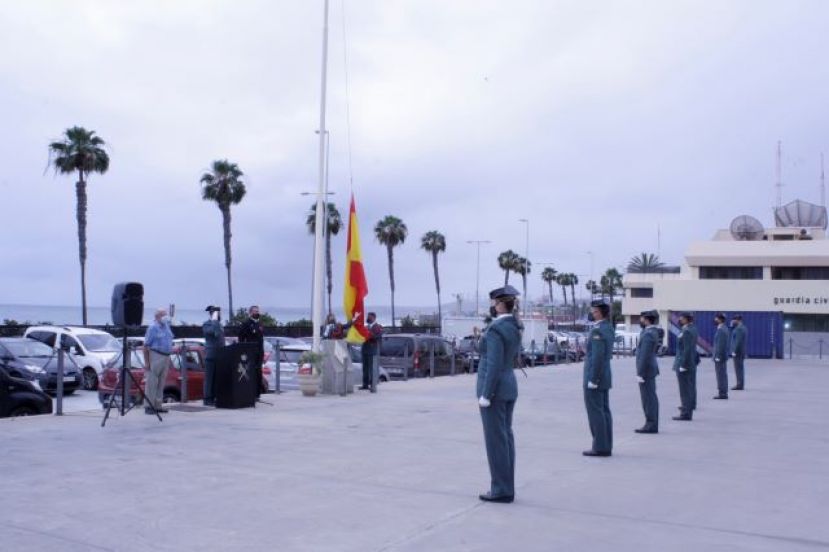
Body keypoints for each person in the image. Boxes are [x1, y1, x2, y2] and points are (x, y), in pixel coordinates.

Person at [477, 285, 521, 503]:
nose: (493, 306)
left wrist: (486, 393)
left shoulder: (495, 329)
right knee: (505, 439)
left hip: (494, 390)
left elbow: (493, 363)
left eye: (495, 303)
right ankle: (507, 486)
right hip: (509, 386)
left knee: (496, 442)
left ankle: (501, 489)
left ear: (501, 304)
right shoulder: (514, 326)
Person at [583, 300, 614, 457]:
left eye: (594, 311)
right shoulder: (608, 327)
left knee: (596, 412)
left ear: (600, 313)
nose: (592, 314)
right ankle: (606, 444)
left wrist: (593, 379)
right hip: (605, 375)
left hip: (595, 376)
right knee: (604, 411)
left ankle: (600, 446)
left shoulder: (597, 331)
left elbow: (598, 357)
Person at [142, 308, 174, 415]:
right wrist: (147, 362)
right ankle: (149, 406)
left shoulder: (166, 327)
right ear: (157, 316)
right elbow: (146, 346)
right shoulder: (152, 328)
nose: (165, 317)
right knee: (152, 382)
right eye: (163, 314)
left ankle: (158, 405)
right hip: (155, 355)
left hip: (166, 356)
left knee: (161, 382)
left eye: (166, 314)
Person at [635, 310, 660, 434]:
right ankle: (651, 423)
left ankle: (651, 424)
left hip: (646, 371)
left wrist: (640, 373)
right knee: (650, 397)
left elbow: (644, 355)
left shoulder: (649, 333)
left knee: (648, 398)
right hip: (648, 370)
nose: (641, 320)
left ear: (647, 319)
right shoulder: (649, 332)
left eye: (642, 318)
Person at [673, 312, 699, 421]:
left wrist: (683, 364)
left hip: (685, 364)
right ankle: (687, 407)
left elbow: (687, 349)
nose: (679, 320)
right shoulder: (691, 329)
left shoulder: (687, 331)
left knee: (685, 389)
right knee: (688, 388)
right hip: (689, 362)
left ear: (686, 319)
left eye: (681, 318)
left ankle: (686, 413)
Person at [238, 305, 265, 398]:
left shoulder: (260, 323)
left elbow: (261, 339)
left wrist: (262, 353)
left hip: (259, 352)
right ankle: (250, 393)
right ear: (250, 313)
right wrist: (243, 350)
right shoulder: (246, 323)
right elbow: (241, 338)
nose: (257, 313)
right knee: (251, 373)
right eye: (255, 311)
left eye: (258, 311)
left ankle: (257, 394)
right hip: (250, 352)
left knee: (258, 373)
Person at [202, 305, 225, 406]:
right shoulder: (207, 324)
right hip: (211, 355)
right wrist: (214, 320)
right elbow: (215, 333)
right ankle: (207, 398)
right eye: (218, 313)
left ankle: (215, 397)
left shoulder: (219, 324)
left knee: (216, 378)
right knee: (209, 378)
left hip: (220, 355)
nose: (220, 315)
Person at [360, 312, 383, 390]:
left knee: (371, 369)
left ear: (374, 318)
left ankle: (372, 384)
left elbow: (378, 337)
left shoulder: (377, 327)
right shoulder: (366, 327)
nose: (368, 318)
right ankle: (365, 384)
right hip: (365, 349)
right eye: (368, 317)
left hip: (372, 349)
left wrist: (370, 335)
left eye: (369, 317)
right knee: (365, 368)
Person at [712, 313, 730, 399]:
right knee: (722, 375)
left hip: (720, 357)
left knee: (721, 375)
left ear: (720, 319)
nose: (715, 320)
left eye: (716, 319)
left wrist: (718, 356)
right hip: (722, 356)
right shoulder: (723, 328)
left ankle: (722, 393)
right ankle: (723, 392)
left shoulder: (721, 330)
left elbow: (721, 345)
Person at [730, 314, 747, 390]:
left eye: (734, 320)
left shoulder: (739, 329)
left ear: (738, 320)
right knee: (740, 368)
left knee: (738, 369)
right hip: (741, 351)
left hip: (738, 352)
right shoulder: (742, 327)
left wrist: (734, 351)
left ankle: (739, 385)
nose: (733, 321)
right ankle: (740, 384)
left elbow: (738, 341)